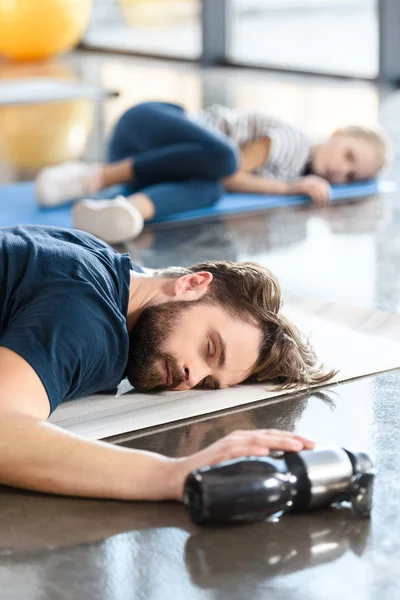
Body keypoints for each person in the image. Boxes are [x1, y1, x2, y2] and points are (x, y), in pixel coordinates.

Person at [0, 224, 332, 502]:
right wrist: (172, 474)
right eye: (209, 348)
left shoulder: (101, 261)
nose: (192, 376)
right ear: (191, 284)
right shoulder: (89, 320)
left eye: (207, 383)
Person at [35, 101, 389, 244]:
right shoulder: (295, 142)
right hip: (144, 127)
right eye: (348, 155)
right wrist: (292, 187)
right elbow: (232, 172)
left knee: (209, 190)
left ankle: (128, 212)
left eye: (351, 175)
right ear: (337, 134)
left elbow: (222, 185)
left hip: (150, 167)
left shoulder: (296, 169)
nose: (340, 171)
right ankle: (96, 177)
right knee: (224, 161)